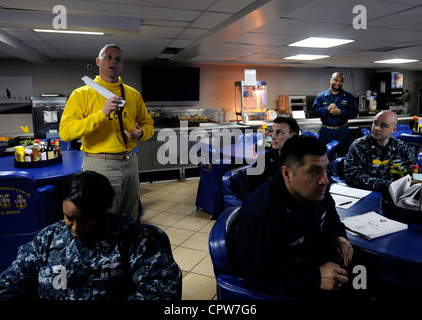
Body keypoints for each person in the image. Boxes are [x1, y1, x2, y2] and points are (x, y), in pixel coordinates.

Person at [0, 171, 181, 300]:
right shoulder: (46, 240)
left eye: (87, 219)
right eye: (68, 217)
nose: (75, 227)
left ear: (103, 211)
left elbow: (162, 287)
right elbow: (8, 285)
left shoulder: (131, 237)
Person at [228, 135, 353, 298]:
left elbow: (331, 218)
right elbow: (257, 278)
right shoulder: (260, 215)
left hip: (312, 260)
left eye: (326, 169)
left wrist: (339, 236)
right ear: (287, 173)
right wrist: (315, 276)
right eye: (314, 171)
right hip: (292, 283)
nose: (325, 180)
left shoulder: (316, 191)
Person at [60, 44, 154, 219]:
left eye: (118, 59)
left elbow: (148, 124)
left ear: (122, 66)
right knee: (100, 218)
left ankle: (126, 247)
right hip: (100, 165)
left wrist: (140, 134)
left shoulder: (133, 95)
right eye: (108, 57)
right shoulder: (82, 94)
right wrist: (101, 114)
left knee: (129, 217)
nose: (113, 62)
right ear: (98, 61)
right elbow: (66, 132)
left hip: (130, 162)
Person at [344, 110, 416, 192]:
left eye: (383, 126)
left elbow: (415, 170)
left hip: (399, 194)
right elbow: (353, 175)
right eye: (375, 123)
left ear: (393, 130)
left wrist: (418, 180)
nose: (376, 128)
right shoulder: (359, 146)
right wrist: (389, 185)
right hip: (370, 193)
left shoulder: (400, 146)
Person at [240, 116, 300, 200]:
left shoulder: (303, 160)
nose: (273, 137)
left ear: (293, 136)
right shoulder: (264, 159)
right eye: (272, 132)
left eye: (279, 132)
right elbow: (248, 191)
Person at [312, 72, 358, 156]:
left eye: (340, 81)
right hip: (327, 131)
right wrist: (327, 109)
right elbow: (314, 111)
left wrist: (341, 112)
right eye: (335, 80)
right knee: (324, 155)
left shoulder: (348, 97)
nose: (338, 83)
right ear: (330, 80)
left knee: (344, 155)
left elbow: (354, 113)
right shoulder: (321, 96)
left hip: (342, 131)